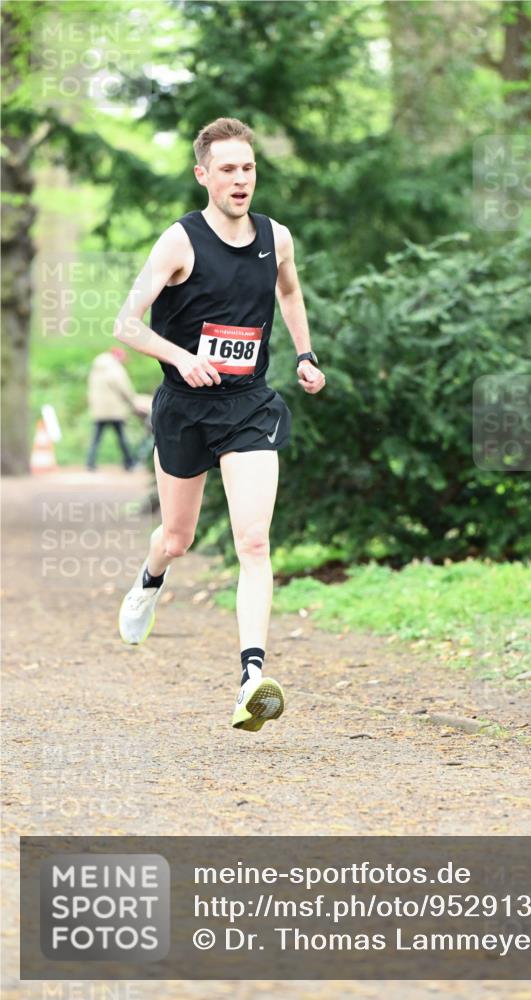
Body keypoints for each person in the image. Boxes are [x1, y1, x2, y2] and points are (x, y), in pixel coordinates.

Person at [113, 116, 325, 733]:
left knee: (254, 542)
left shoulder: (276, 237)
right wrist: (181, 356)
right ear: (203, 175)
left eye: (248, 168)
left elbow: (288, 295)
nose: (240, 179)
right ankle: (151, 579)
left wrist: (305, 354)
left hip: (249, 406)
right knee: (176, 538)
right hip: (184, 408)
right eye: (227, 169)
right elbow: (126, 324)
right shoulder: (179, 242)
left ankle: (252, 677)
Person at [86, 346, 137, 471]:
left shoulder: (96, 369)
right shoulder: (115, 368)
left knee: (96, 438)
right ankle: (129, 462)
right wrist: (133, 400)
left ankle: (90, 463)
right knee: (121, 437)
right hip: (115, 409)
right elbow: (124, 387)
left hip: (99, 409)